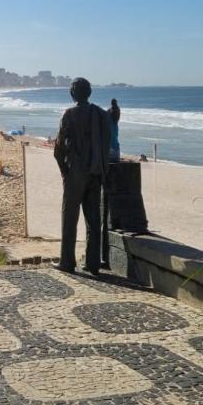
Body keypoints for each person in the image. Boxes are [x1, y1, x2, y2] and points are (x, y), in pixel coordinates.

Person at [53, 78, 110, 276]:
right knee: (94, 220)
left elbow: (59, 148)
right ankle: (93, 264)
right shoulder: (101, 114)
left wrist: (64, 171)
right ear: (89, 92)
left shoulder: (69, 114)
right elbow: (107, 142)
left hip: (75, 173)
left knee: (70, 218)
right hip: (96, 172)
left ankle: (67, 261)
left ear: (73, 94)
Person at [109, 99, 121, 163]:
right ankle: (116, 155)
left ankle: (112, 155)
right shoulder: (118, 109)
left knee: (112, 140)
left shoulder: (110, 110)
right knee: (115, 139)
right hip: (115, 126)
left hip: (111, 127)